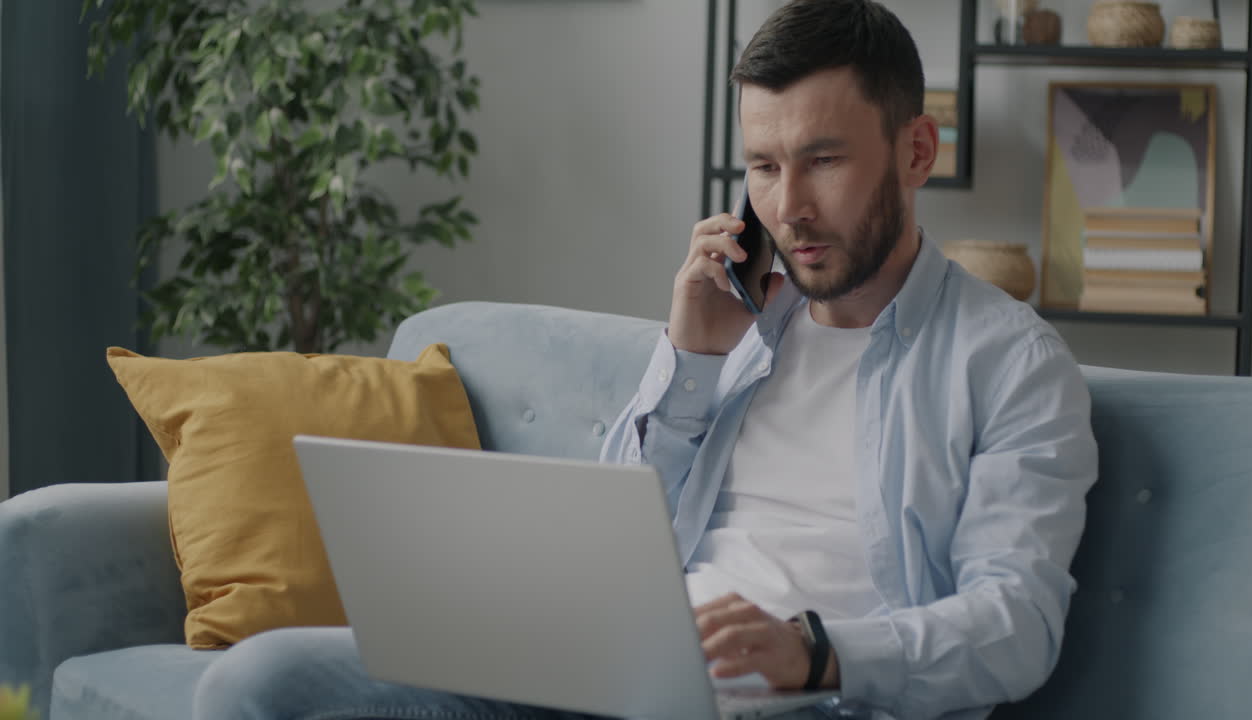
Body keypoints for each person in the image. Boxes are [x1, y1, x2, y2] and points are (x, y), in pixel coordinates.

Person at [193, 1, 1096, 719]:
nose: (789, 207)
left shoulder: (1010, 364)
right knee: (259, 679)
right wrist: (689, 358)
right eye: (764, 166)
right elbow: (613, 540)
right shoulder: (741, 326)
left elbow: (1016, 624)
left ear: (916, 151)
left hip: (812, 698)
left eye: (823, 160)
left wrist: (813, 650)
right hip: (618, 670)